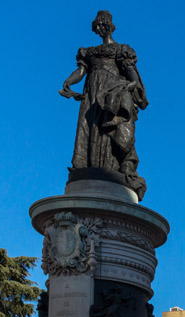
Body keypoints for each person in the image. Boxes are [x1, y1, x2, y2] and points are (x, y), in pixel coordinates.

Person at [60, 10, 148, 200]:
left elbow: (131, 73)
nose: (99, 29)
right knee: (89, 129)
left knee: (110, 133)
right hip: (92, 96)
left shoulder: (120, 50)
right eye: (96, 26)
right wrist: (69, 81)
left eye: (102, 25)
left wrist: (132, 85)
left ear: (108, 26)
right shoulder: (89, 52)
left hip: (111, 95)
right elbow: (81, 71)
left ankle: (110, 169)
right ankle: (90, 167)